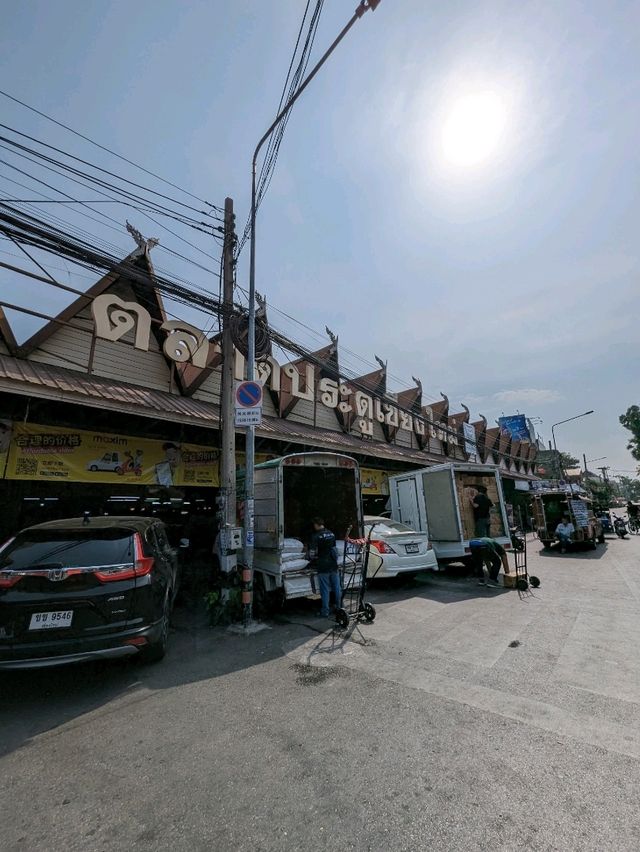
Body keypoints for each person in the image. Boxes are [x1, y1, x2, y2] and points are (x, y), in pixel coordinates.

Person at [309, 517, 341, 618]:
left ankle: (325, 611)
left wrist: (310, 558)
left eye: (314, 524)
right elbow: (334, 549)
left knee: (325, 589)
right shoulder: (331, 534)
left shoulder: (316, 536)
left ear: (317, 524)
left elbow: (312, 553)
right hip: (333, 565)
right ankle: (340, 608)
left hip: (323, 566)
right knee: (337, 587)